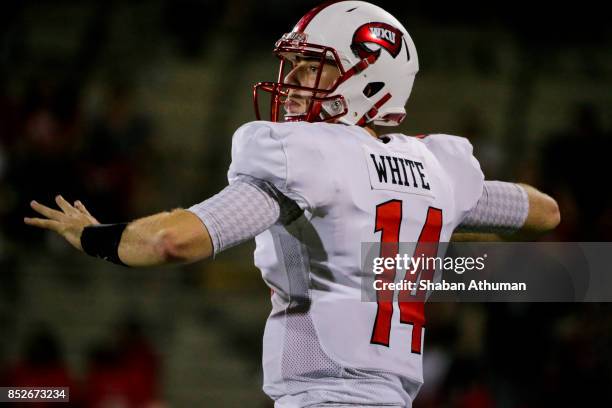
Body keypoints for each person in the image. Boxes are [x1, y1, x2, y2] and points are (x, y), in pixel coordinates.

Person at [24, 1, 560, 407]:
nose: (294, 83)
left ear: (373, 78)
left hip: (322, 394)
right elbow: (544, 213)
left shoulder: (308, 156)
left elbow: (172, 241)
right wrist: (430, 222)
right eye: (296, 67)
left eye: (312, 69)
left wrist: (93, 236)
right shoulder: (437, 168)